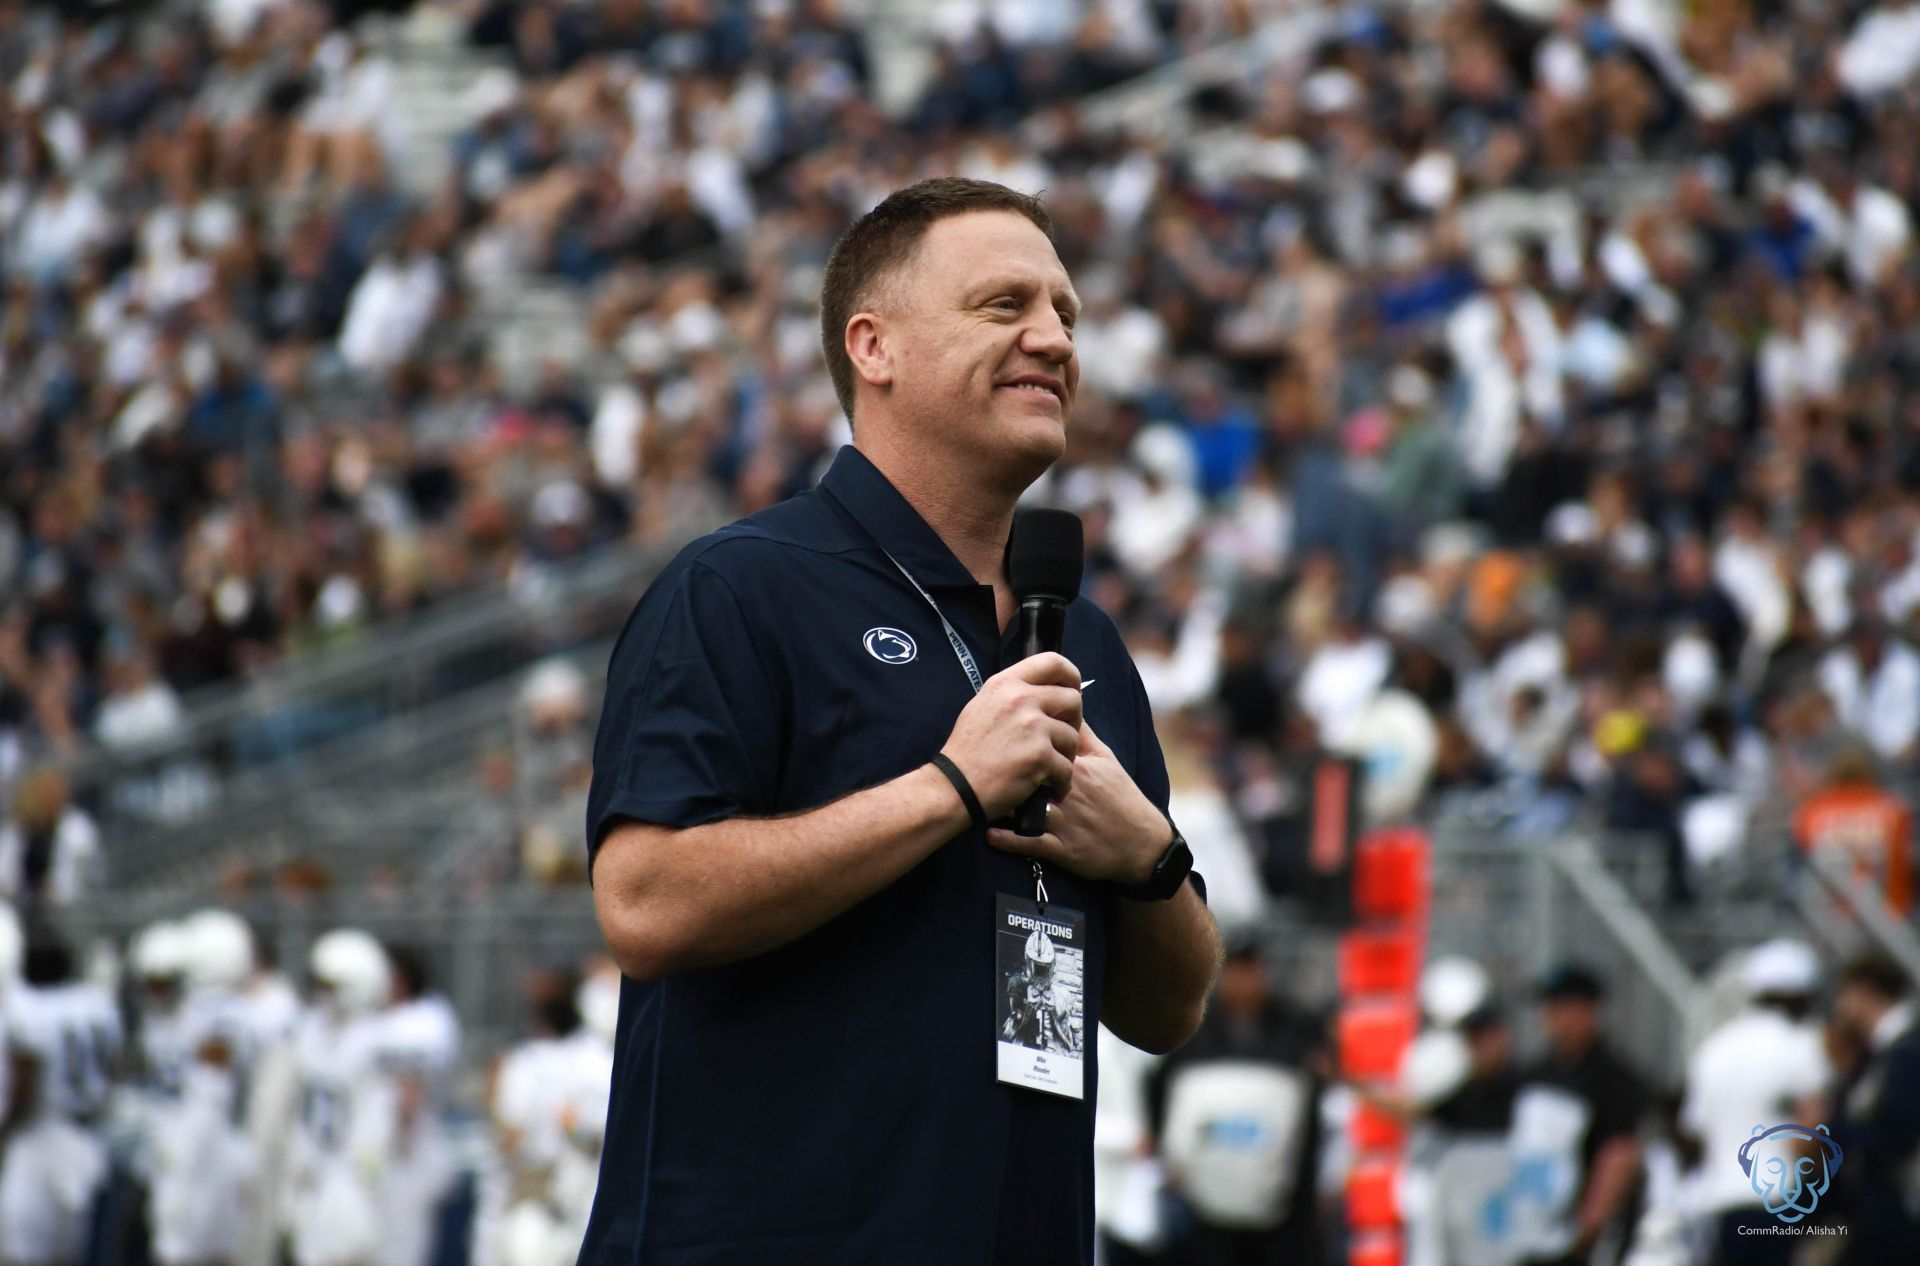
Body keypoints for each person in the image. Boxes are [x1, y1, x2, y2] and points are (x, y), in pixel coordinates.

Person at [583, 177, 1221, 1264]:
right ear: (873, 347)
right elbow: (643, 906)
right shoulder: (743, 587)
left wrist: (1149, 859)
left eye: (1065, 312)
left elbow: (1169, 1013)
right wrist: (949, 790)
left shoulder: (1086, 646)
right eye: (1003, 305)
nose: (1053, 338)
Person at [1145, 931, 1323, 1266]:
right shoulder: (1193, 1031)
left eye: (1252, 969)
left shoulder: (1296, 1029)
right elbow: (1161, 1094)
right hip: (1205, 1207)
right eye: (1236, 970)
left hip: (1275, 1208)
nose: (1245, 981)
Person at [1678, 940, 1828, 1264]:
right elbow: (1809, 1131)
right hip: (1779, 1200)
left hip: (1719, 1202)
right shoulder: (1802, 1046)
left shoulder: (1715, 1048)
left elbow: (1694, 1131)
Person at [1508, 964, 1650, 1266]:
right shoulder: (1536, 1074)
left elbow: (1620, 1153)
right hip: (1532, 1233)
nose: (1550, 1017)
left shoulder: (1613, 1078)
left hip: (1581, 1240)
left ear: (1587, 1011)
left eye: (1560, 1007)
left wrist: (1587, 1228)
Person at [1823, 953, 1920, 1262]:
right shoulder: (1883, 1052)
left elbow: (1897, 1133)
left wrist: (1831, 1125)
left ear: (1866, 992)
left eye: (1845, 995)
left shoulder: (1907, 1050)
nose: (1840, 1008)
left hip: (1898, 1216)